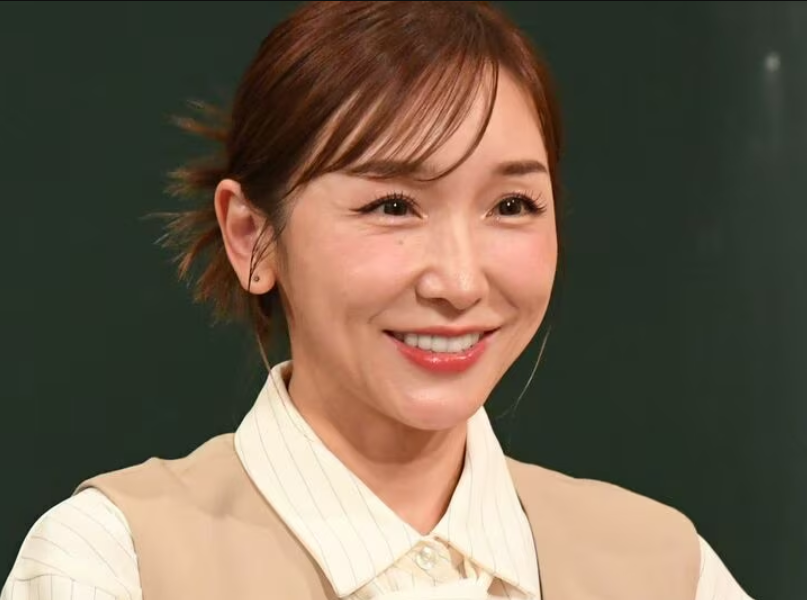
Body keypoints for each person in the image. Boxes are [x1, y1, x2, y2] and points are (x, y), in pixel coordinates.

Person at [2, 2, 753, 599]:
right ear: (252, 235)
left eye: (512, 205)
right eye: (393, 205)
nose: (459, 282)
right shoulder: (112, 565)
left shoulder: (666, 570)